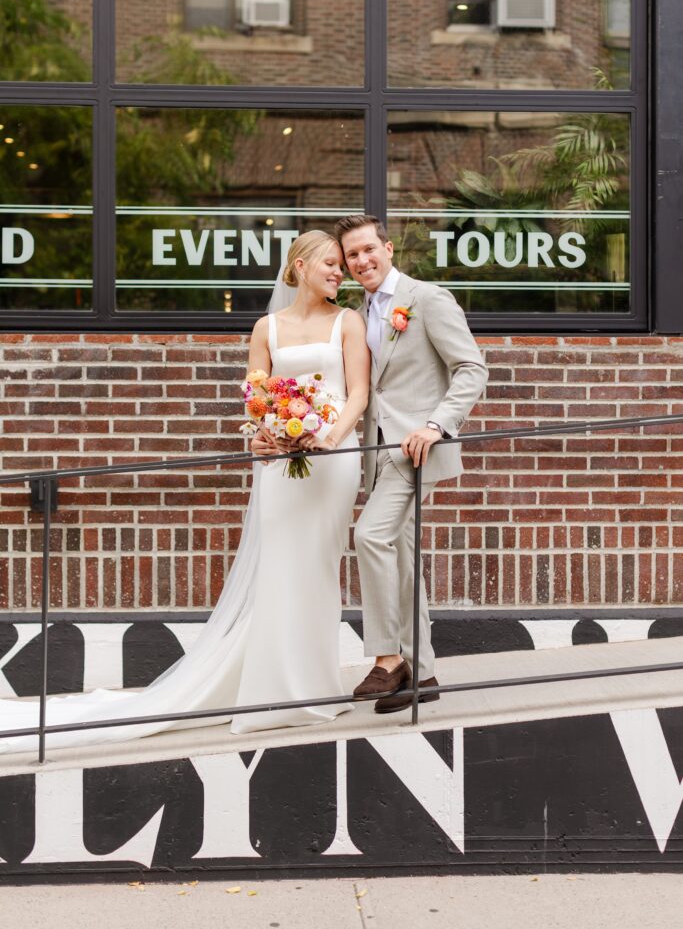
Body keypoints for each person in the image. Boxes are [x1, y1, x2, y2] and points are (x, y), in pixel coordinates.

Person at [0, 230, 370, 753]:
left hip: (334, 460)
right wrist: (268, 434)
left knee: (319, 564)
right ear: (300, 267)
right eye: (330, 263)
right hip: (279, 461)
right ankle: (272, 690)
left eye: (342, 265)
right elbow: (256, 396)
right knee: (281, 567)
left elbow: (358, 393)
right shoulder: (268, 327)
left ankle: (314, 686)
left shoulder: (348, 322)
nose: (340, 272)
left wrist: (327, 438)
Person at [335, 214, 488, 714]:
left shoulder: (427, 299)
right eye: (351, 256)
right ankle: (422, 674)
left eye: (367, 250)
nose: (361, 262)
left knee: (369, 536)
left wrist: (437, 426)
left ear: (389, 248)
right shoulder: (360, 310)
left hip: (416, 448)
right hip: (378, 452)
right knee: (398, 556)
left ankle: (387, 661)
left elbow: (471, 367)